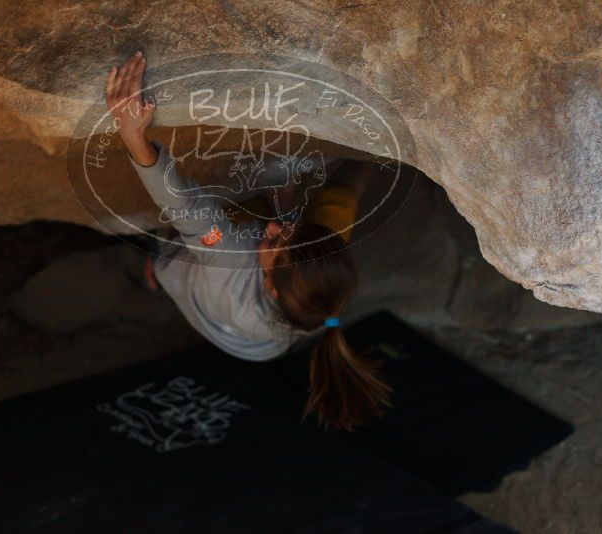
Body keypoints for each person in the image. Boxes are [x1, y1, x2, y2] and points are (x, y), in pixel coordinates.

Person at [107, 51, 390, 431]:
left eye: (274, 243)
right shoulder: (317, 302)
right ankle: (366, 160)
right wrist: (379, 146)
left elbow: (186, 206)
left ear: (272, 288)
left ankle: (150, 270)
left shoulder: (233, 255)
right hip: (255, 348)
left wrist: (133, 135)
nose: (273, 229)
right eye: (290, 233)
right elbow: (306, 227)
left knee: (194, 240)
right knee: (333, 213)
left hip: (193, 288)